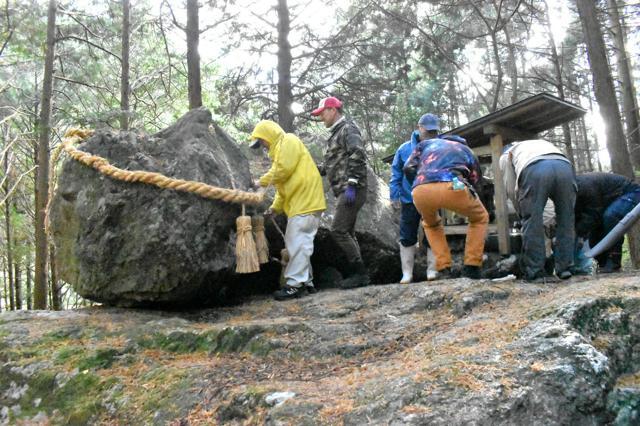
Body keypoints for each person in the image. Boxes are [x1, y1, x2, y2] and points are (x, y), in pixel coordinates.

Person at [250, 120, 326, 301]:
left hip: (305, 202)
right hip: (303, 203)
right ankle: (307, 283)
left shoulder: (289, 141)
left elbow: (283, 170)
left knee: (297, 242)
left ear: (268, 135)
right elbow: (282, 189)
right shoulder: (280, 154)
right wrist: (274, 208)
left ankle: (294, 285)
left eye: (262, 141)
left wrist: (260, 182)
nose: (263, 146)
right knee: (302, 243)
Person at [403, 136, 488, 279]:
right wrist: (478, 199)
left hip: (420, 189)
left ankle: (443, 269)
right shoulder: (466, 150)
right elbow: (476, 179)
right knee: (480, 217)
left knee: (431, 225)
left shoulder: (425, 144)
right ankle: (472, 266)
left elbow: (407, 167)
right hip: (454, 183)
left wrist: (418, 183)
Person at [311, 96, 369, 289]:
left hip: (352, 189)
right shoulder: (336, 133)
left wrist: (352, 184)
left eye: (322, 113)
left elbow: (358, 153)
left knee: (338, 230)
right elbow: (330, 164)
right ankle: (359, 275)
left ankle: (359, 274)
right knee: (348, 232)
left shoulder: (348, 129)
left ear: (332, 110)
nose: (321, 118)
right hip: (345, 189)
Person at [499, 140, 576, 282]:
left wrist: (523, 214)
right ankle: (565, 268)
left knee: (532, 221)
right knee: (566, 219)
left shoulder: (506, 155)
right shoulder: (539, 144)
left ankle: (535, 272)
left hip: (535, 169)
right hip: (565, 167)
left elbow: (511, 189)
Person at [389, 113, 442, 283]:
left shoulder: (441, 147)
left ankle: (432, 270)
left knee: (433, 232)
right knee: (407, 235)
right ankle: (407, 273)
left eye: (434, 131)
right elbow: (396, 174)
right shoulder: (404, 149)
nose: (432, 134)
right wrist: (394, 197)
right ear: (420, 128)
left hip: (433, 198)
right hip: (408, 199)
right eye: (428, 131)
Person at [575, 172, 640, 273]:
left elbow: (594, 214)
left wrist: (578, 231)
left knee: (611, 216)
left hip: (632, 192)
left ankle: (614, 261)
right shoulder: (572, 195)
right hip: (610, 201)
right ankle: (603, 264)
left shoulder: (585, 186)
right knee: (594, 237)